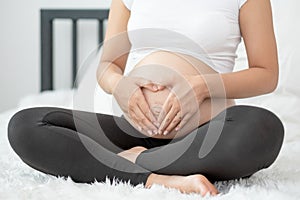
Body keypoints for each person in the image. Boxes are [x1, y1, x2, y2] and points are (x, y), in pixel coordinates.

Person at [8, 0, 284, 196]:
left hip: (205, 134)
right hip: (133, 130)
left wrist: (203, 87)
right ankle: (154, 176)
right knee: (26, 125)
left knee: (264, 128)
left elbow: (266, 74)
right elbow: (108, 66)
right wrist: (119, 85)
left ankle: (133, 161)